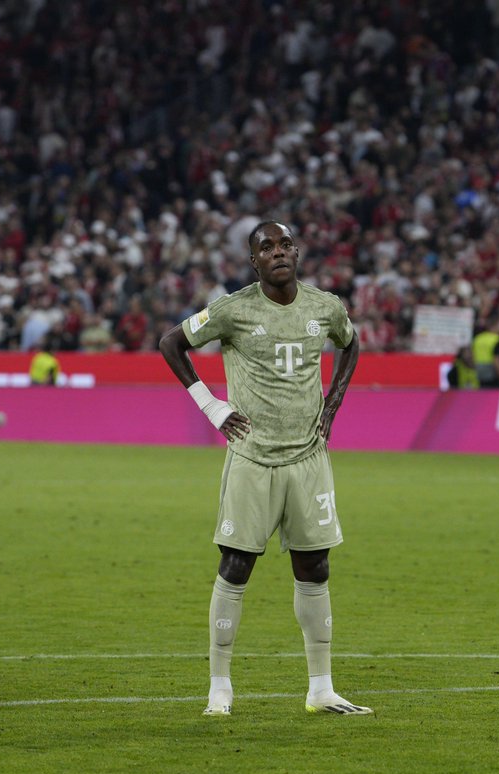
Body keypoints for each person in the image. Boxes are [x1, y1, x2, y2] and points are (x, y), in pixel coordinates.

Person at [158, 220, 371, 717]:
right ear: (254, 261)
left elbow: (351, 342)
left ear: (297, 252)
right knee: (235, 567)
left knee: (315, 567)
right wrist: (211, 406)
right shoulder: (233, 309)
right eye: (266, 247)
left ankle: (321, 688)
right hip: (253, 458)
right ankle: (220, 688)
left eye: (285, 244)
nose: (278, 252)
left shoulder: (325, 307)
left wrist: (332, 404)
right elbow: (172, 343)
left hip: (308, 459)